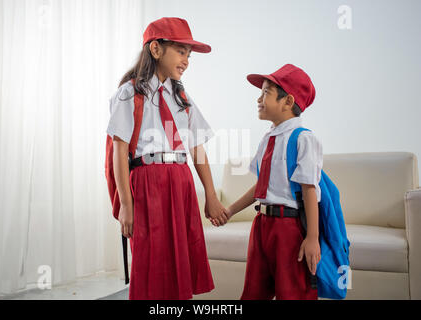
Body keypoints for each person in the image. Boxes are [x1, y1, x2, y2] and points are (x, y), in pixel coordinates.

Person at [106, 17, 228, 300]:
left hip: (180, 181)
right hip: (146, 182)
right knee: (151, 261)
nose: (186, 60)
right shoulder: (129, 93)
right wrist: (126, 203)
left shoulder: (182, 95)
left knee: (181, 260)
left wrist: (210, 195)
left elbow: (197, 147)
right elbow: (119, 151)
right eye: (180, 51)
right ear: (156, 50)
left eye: (189, 54)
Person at [218, 64, 321, 300]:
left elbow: (309, 190)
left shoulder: (304, 139)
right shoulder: (268, 139)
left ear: (287, 101)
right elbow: (262, 186)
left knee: (292, 293)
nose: (259, 98)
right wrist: (231, 210)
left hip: (289, 228)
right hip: (262, 225)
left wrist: (312, 238)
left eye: (266, 92)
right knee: (254, 291)